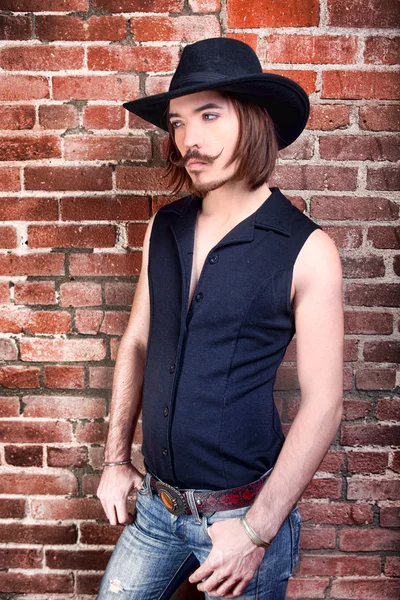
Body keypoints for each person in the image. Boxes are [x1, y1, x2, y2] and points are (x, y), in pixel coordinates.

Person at [96, 37, 344, 600]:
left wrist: (256, 533)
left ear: (253, 121)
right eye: (179, 122)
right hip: (155, 508)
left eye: (208, 115)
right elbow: (137, 343)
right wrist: (115, 460)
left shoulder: (307, 249)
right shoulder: (165, 227)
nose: (189, 140)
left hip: (242, 516)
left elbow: (325, 402)